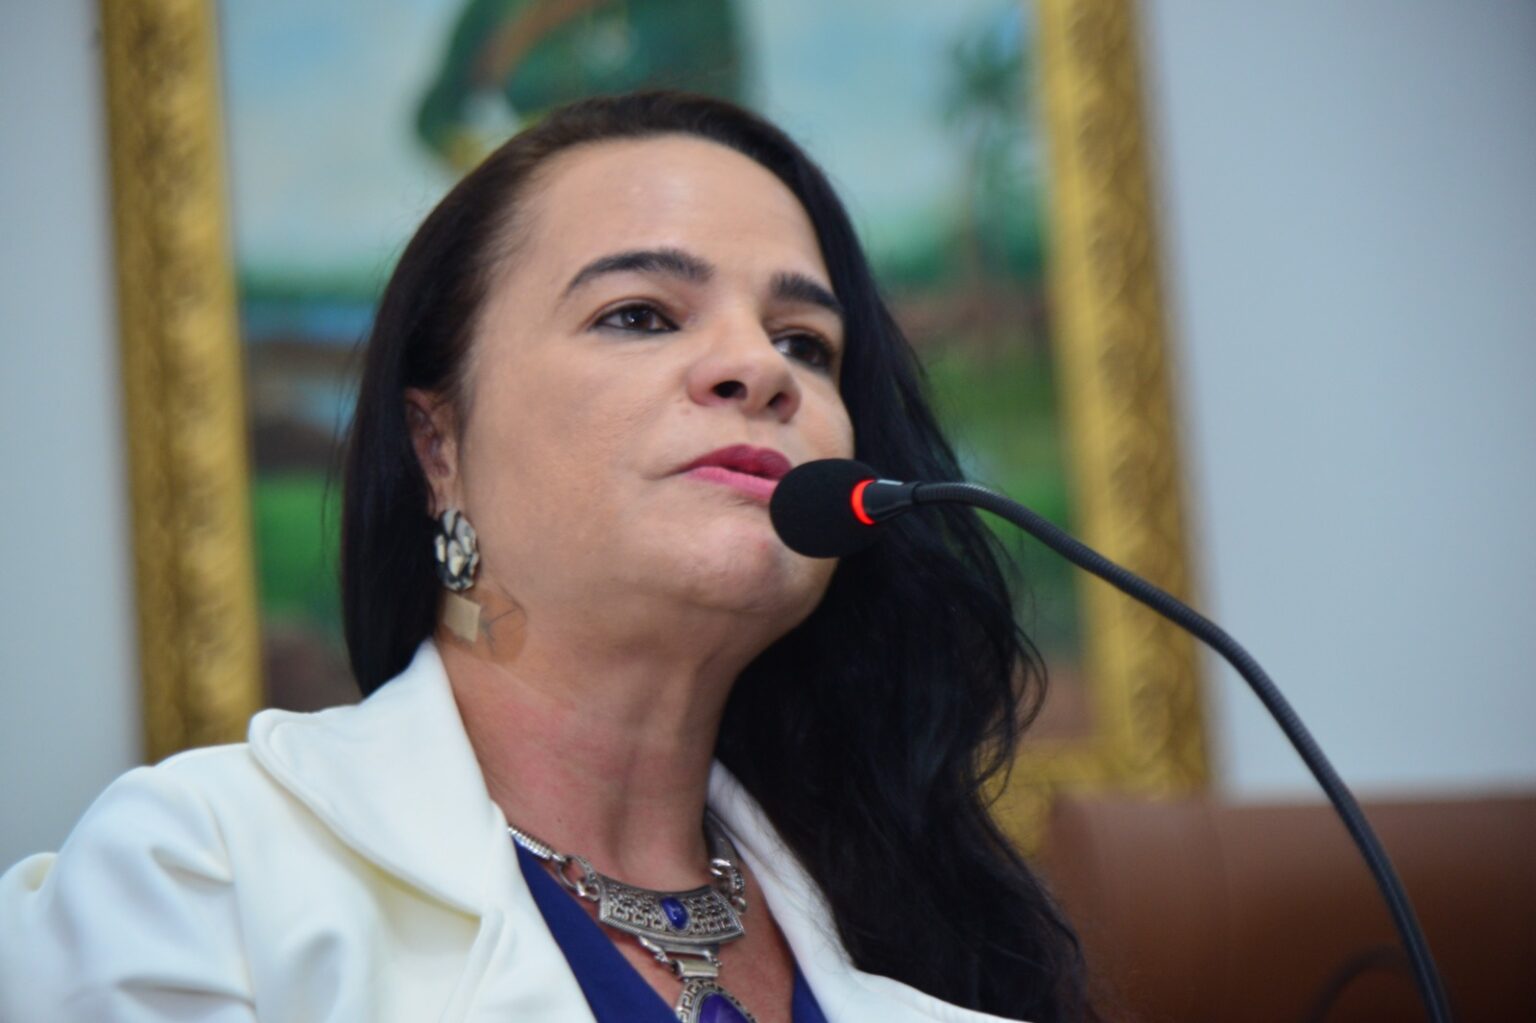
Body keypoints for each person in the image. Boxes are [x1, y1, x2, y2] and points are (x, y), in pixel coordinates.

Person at [0, 92, 1094, 1022]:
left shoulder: (938, 960)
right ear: (437, 447)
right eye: (640, 314)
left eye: (805, 342)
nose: (759, 369)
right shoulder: (202, 879)